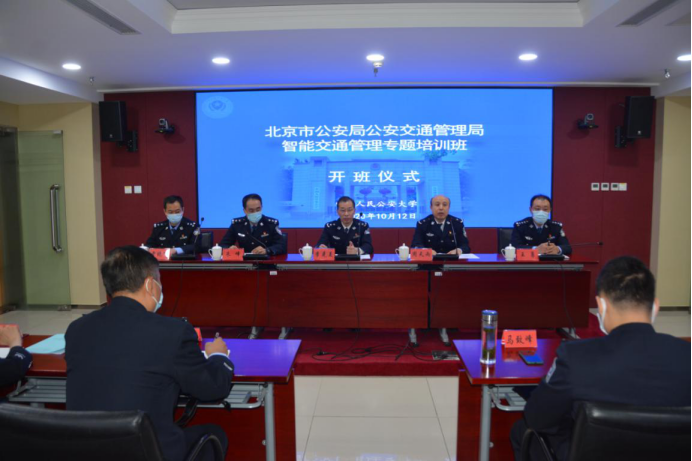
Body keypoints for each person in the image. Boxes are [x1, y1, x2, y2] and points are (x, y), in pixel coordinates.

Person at [511, 256, 691, 461]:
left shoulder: (575, 357)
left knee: (521, 430)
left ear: (601, 306)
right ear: (655, 307)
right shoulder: (686, 355)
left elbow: (537, 418)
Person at [65, 246, 234, 461]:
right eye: (159, 281)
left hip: (86, 452)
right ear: (150, 284)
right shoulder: (174, 332)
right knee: (215, 434)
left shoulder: (77, 330)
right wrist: (219, 357)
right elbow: (212, 389)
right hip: (146, 451)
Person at [219, 193, 287, 256]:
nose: (255, 213)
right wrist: (229, 248)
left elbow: (281, 246)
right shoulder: (237, 225)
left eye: (258, 209)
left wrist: (267, 250)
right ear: (244, 211)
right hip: (245, 262)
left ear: (262, 208)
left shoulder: (271, 224)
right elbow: (222, 245)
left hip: (266, 262)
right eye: (251, 210)